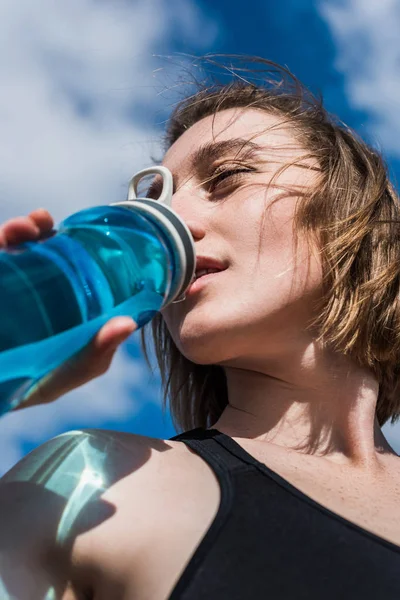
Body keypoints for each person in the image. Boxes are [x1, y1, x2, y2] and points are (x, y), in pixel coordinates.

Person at [1, 55, 400, 599]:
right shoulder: (88, 485)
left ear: (347, 213)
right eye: (157, 199)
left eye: (228, 177)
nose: (177, 223)